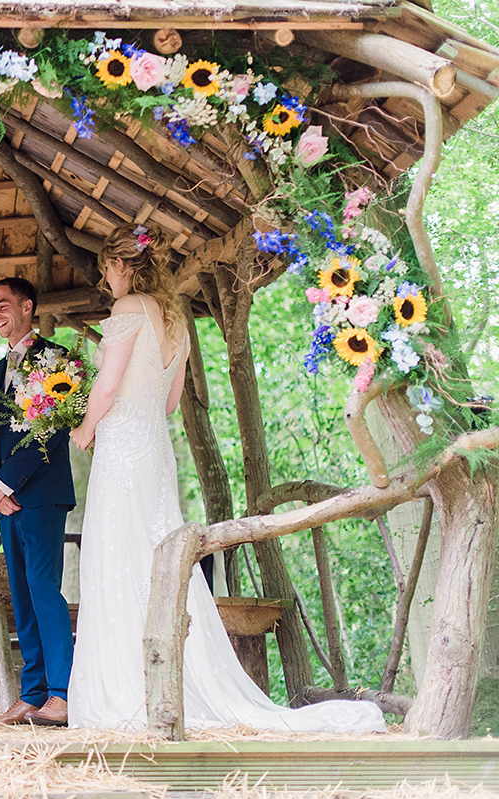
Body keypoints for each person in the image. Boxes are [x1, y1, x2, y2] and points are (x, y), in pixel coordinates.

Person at [66, 223, 385, 733]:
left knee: (117, 554)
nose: (108, 282)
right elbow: (170, 403)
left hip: (123, 452)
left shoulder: (128, 312)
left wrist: (83, 430)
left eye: (108, 270)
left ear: (123, 265)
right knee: (159, 556)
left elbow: (105, 389)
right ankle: (178, 677)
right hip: (155, 452)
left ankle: (124, 691)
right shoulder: (177, 326)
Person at [0, 277, 76, 727]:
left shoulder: (57, 360)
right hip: (7, 501)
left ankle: (63, 692)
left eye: (3, 304)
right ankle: (31, 693)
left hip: (42, 497)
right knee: (21, 596)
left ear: (28, 306)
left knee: (44, 591)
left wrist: (7, 483)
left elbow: (52, 431)